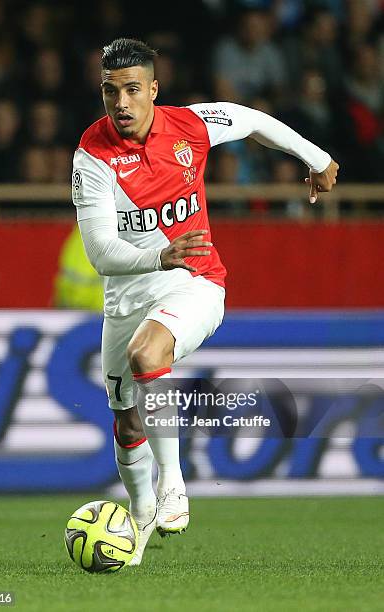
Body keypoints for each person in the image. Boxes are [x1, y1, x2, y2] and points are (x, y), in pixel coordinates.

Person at [72, 38, 339, 566]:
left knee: (149, 356)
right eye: (110, 92)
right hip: (129, 295)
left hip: (196, 282)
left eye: (131, 90)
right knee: (127, 421)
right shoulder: (92, 155)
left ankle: (173, 483)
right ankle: (142, 514)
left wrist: (317, 156)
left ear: (153, 89)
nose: (121, 104)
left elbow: (250, 119)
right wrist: (158, 256)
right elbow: (102, 253)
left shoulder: (191, 125)